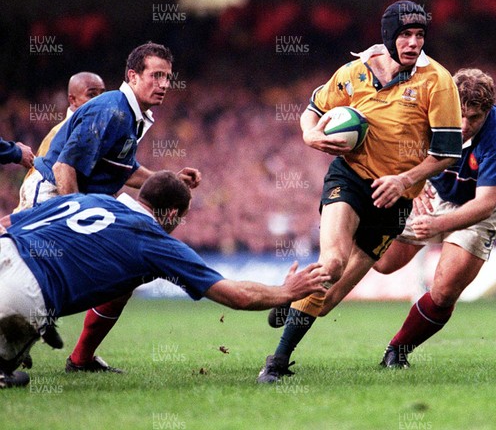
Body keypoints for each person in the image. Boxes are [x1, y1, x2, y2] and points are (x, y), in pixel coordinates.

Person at [257, 0, 463, 383]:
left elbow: (447, 153)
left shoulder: (438, 81)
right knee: (331, 263)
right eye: (405, 35)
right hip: (350, 179)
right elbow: (313, 109)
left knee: (330, 297)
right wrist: (310, 133)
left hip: (395, 199)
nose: (414, 43)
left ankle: (290, 298)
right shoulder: (354, 73)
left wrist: (404, 180)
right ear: (388, 37)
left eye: (420, 35)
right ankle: (277, 363)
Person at [0, 171, 330, 388]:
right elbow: (236, 295)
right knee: (11, 363)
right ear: (171, 213)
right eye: (181, 219)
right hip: (24, 292)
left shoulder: (93, 199)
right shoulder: (153, 240)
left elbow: (6, 222)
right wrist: (287, 291)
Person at [320, 68, 496, 368]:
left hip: (476, 210)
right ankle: (308, 298)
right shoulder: (428, 111)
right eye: (460, 116)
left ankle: (397, 352)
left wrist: (439, 225)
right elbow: (399, 149)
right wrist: (415, 181)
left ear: (488, 111)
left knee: (444, 290)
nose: (464, 126)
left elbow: (485, 204)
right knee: (385, 263)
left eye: (475, 118)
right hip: (433, 192)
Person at [22, 42, 201, 373]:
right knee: (38, 280)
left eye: (168, 77)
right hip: (53, 194)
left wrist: (168, 178)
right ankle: (15, 342)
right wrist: (70, 218)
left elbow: (125, 170)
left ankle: (80, 358)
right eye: (156, 75)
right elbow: (64, 167)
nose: (164, 84)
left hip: (87, 197)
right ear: (132, 76)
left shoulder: (132, 114)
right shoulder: (112, 110)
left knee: (126, 272)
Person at [14, 71, 106, 213]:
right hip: (43, 207)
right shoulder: (58, 134)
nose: (100, 100)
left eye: (103, 94)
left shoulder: (96, 131)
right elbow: (39, 178)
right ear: (72, 100)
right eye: (92, 95)